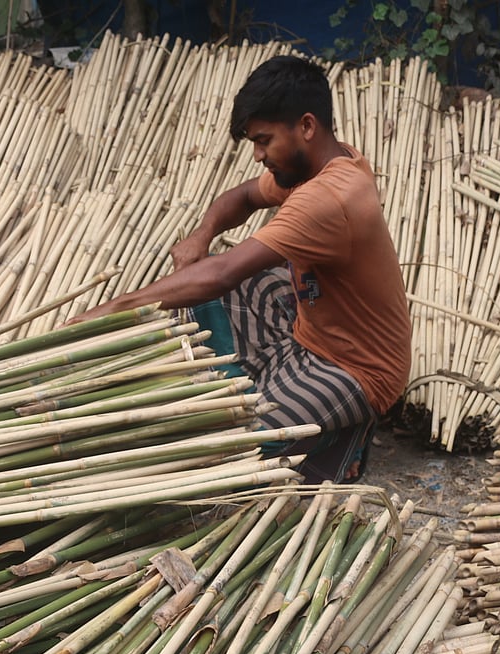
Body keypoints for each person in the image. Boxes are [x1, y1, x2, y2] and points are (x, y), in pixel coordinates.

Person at [70, 54, 411, 482]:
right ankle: (258, 383)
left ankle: (343, 440)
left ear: (306, 127)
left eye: (264, 140)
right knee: (200, 288)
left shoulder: (329, 198)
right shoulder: (315, 164)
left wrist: (115, 308)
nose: (257, 155)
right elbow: (242, 197)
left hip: (355, 367)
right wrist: (201, 236)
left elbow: (222, 274)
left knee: (238, 439)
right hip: (312, 317)